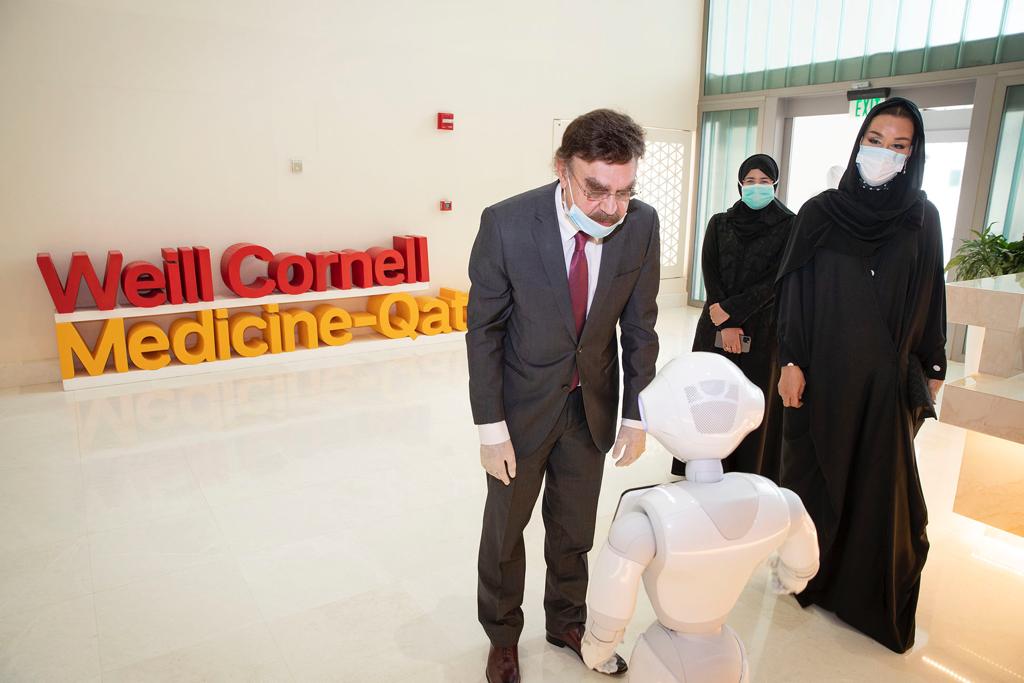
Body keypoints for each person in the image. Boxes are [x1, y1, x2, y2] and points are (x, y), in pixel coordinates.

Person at [467, 108, 660, 683]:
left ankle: (566, 621)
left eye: (624, 191)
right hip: (521, 409)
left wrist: (635, 414)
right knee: (505, 533)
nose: (610, 207)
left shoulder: (641, 225)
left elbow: (640, 326)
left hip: (589, 407)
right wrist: (489, 427)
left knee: (574, 528)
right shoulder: (507, 223)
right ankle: (503, 636)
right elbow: (485, 331)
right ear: (562, 169)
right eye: (596, 188)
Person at [774, 97, 947, 654]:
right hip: (822, 376)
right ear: (858, 142)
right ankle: (815, 577)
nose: (885, 154)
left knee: (882, 495)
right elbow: (794, 292)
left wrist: (933, 367)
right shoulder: (821, 212)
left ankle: (864, 598)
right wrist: (789, 360)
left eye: (899, 146)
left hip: (883, 386)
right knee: (818, 479)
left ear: (913, 155)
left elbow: (931, 298)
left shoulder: (922, 218)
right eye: (876, 140)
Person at [680, 154, 794, 483]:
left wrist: (734, 313)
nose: (756, 187)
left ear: (775, 184)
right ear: (740, 184)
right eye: (750, 181)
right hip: (716, 320)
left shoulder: (790, 226)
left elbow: (778, 278)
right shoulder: (720, 222)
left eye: (764, 182)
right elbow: (710, 268)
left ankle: (748, 468)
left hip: (762, 326)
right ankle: (705, 460)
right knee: (711, 392)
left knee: (751, 397)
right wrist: (725, 318)